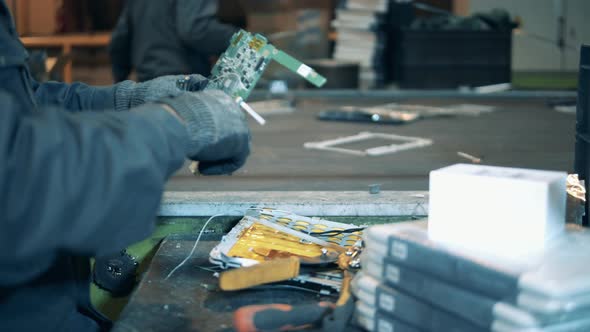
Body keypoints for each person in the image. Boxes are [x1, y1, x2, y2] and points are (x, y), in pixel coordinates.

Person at [0, 1, 251, 331]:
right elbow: (17, 174)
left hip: (53, 301)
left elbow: (26, 102)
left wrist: (124, 100)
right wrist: (177, 124)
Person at [109, 0, 239, 82]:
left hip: (146, 84)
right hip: (186, 84)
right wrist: (242, 40)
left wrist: (120, 79)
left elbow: (120, 38)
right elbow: (196, 30)